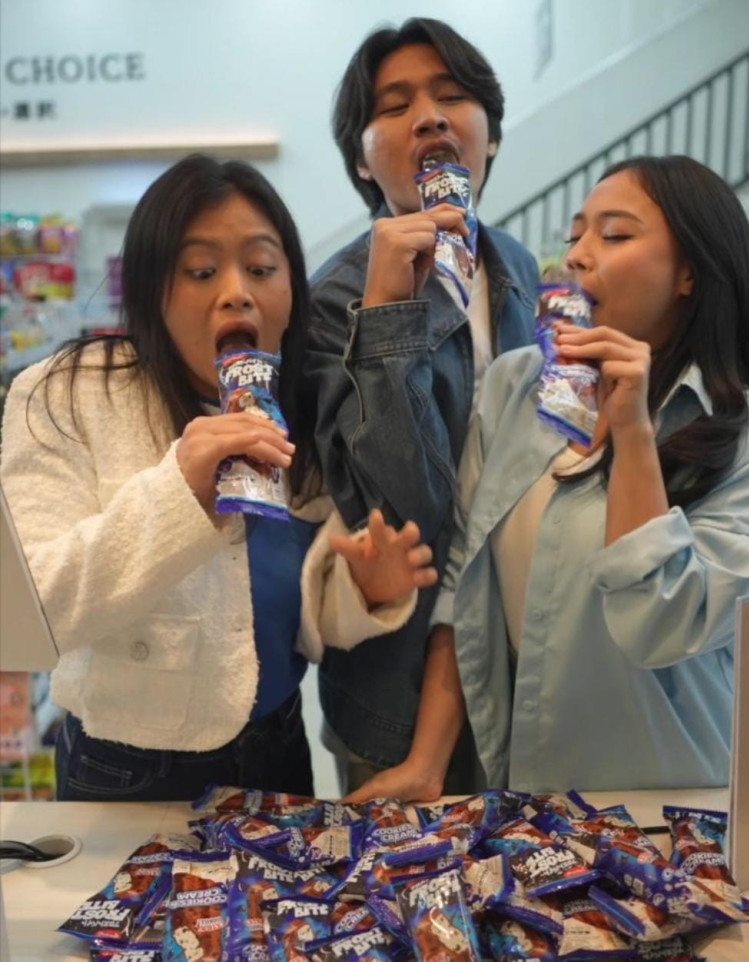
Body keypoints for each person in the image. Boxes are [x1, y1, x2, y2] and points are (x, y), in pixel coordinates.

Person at [350, 154, 749, 799]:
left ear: (690, 273)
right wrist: (427, 763)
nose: (579, 256)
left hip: (674, 804)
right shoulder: (517, 384)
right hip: (525, 797)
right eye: (575, 237)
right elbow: (463, 583)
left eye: (615, 235)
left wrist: (634, 431)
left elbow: (661, 625)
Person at [0, 154, 438, 801]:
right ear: (151, 291)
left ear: (292, 293)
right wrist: (178, 488)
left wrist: (363, 590)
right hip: (126, 769)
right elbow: (28, 616)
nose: (236, 291)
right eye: (201, 271)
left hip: (278, 752)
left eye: (262, 268)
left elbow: (291, 612)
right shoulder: (65, 394)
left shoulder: (301, 406)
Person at [306, 18, 539, 795]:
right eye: (397, 104)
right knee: (410, 904)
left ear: (491, 136)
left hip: (518, 667)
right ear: (361, 161)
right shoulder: (337, 295)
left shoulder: (520, 271)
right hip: (397, 699)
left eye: (451, 95)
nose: (431, 116)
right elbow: (399, 509)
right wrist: (386, 312)